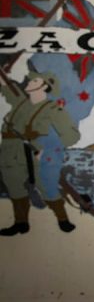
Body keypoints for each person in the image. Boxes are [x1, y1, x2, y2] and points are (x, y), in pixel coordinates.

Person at [0, 70, 81, 235]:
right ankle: (21, 223)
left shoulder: (52, 109)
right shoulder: (20, 102)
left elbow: (72, 135)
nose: (29, 82)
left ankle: (63, 220)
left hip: (33, 152)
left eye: (35, 81)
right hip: (9, 152)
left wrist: (48, 149)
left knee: (46, 187)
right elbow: (5, 86)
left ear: (45, 86)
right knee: (14, 187)